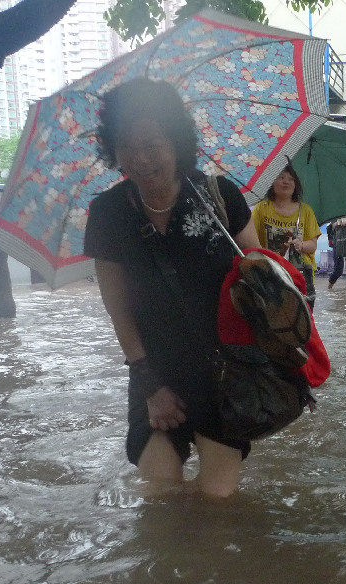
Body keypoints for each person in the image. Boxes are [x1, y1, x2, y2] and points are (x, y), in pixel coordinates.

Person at [83, 78, 263, 497]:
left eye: (153, 144)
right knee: (160, 498)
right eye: (126, 146)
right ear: (112, 148)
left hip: (223, 371)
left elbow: (257, 279)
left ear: (177, 142)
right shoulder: (108, 213)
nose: (140, 159)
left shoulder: (219, 197)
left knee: (219, 502)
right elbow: (118, 309)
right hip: (153, 370)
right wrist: (150, 387)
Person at [251, 165, 322, 308]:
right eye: (281, 177)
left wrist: (301, 245)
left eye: (291, 179)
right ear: (271, 182)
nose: (286, 182)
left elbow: (313, 245)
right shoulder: (261, 209)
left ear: (296, 185)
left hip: (300, 277)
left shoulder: (306, 211)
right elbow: (252, 245)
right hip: (270, 275)